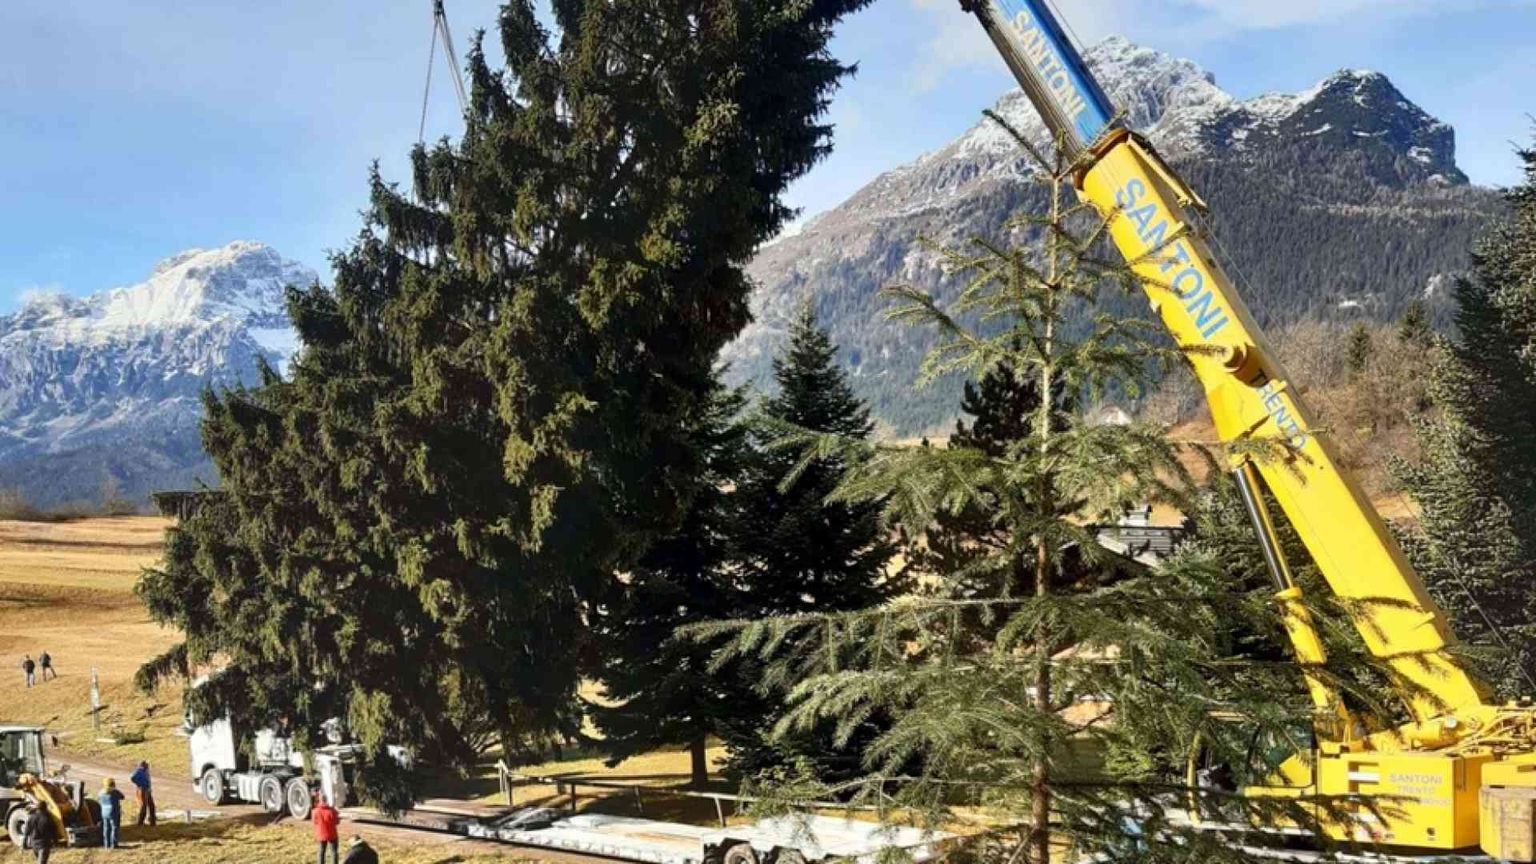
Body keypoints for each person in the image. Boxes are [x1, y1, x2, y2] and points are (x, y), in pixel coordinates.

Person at [312, 794, 340, 864]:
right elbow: (337, 822)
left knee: (321, 852)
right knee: (334, 852)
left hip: (321, 834)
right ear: (326, 800)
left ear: (320, 800)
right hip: (332, 834)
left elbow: (314, 822)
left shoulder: (315, 811)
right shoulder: (332, 810)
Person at [98, 777, 125, 849]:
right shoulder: (115, 792)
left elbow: (99, 799)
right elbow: (122, 797)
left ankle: (106, 844)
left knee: (106, 828)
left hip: (104, 812)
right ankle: (114, 844)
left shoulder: (101, 792)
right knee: (114, 827)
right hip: (113, 811)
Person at [129, 760, 157, 827]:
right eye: (147, 765)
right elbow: (133, 778)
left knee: (151, 805)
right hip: (143, 790)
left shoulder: (146, 771)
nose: (148, 767)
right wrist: (140, 784)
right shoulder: (139, 771)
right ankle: (140, 823)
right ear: (143, 765)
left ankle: (152, 822)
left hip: (148, 790)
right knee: (143, 806)